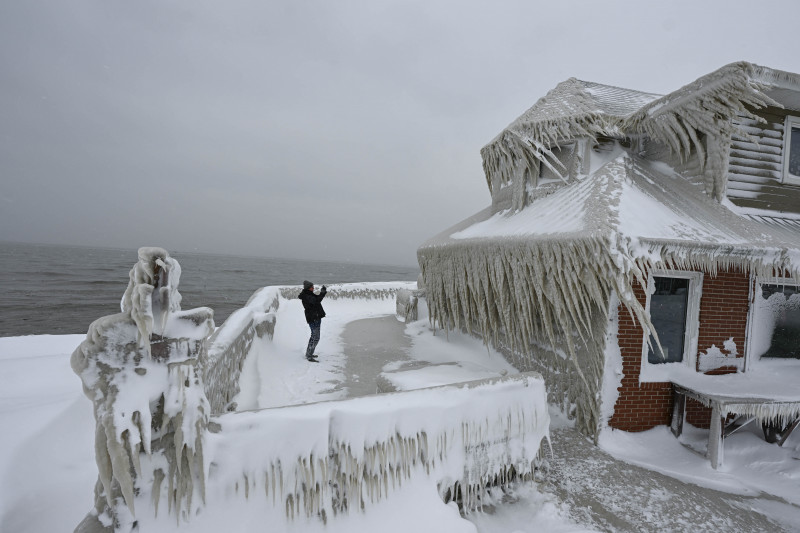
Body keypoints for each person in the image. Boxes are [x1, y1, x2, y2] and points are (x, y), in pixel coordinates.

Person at [299, 280, 327, 362]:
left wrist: (322, 293)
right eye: (312, 287)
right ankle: (309, 355)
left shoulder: (308, 294)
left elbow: (316, 299)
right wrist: (322, 293)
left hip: (316, 317)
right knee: (315, 337)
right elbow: (316, 301)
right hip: (313, 317)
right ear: (308, 288)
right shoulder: (306, 295)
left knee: (314, 336)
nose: (313, 288)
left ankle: (309, 353)